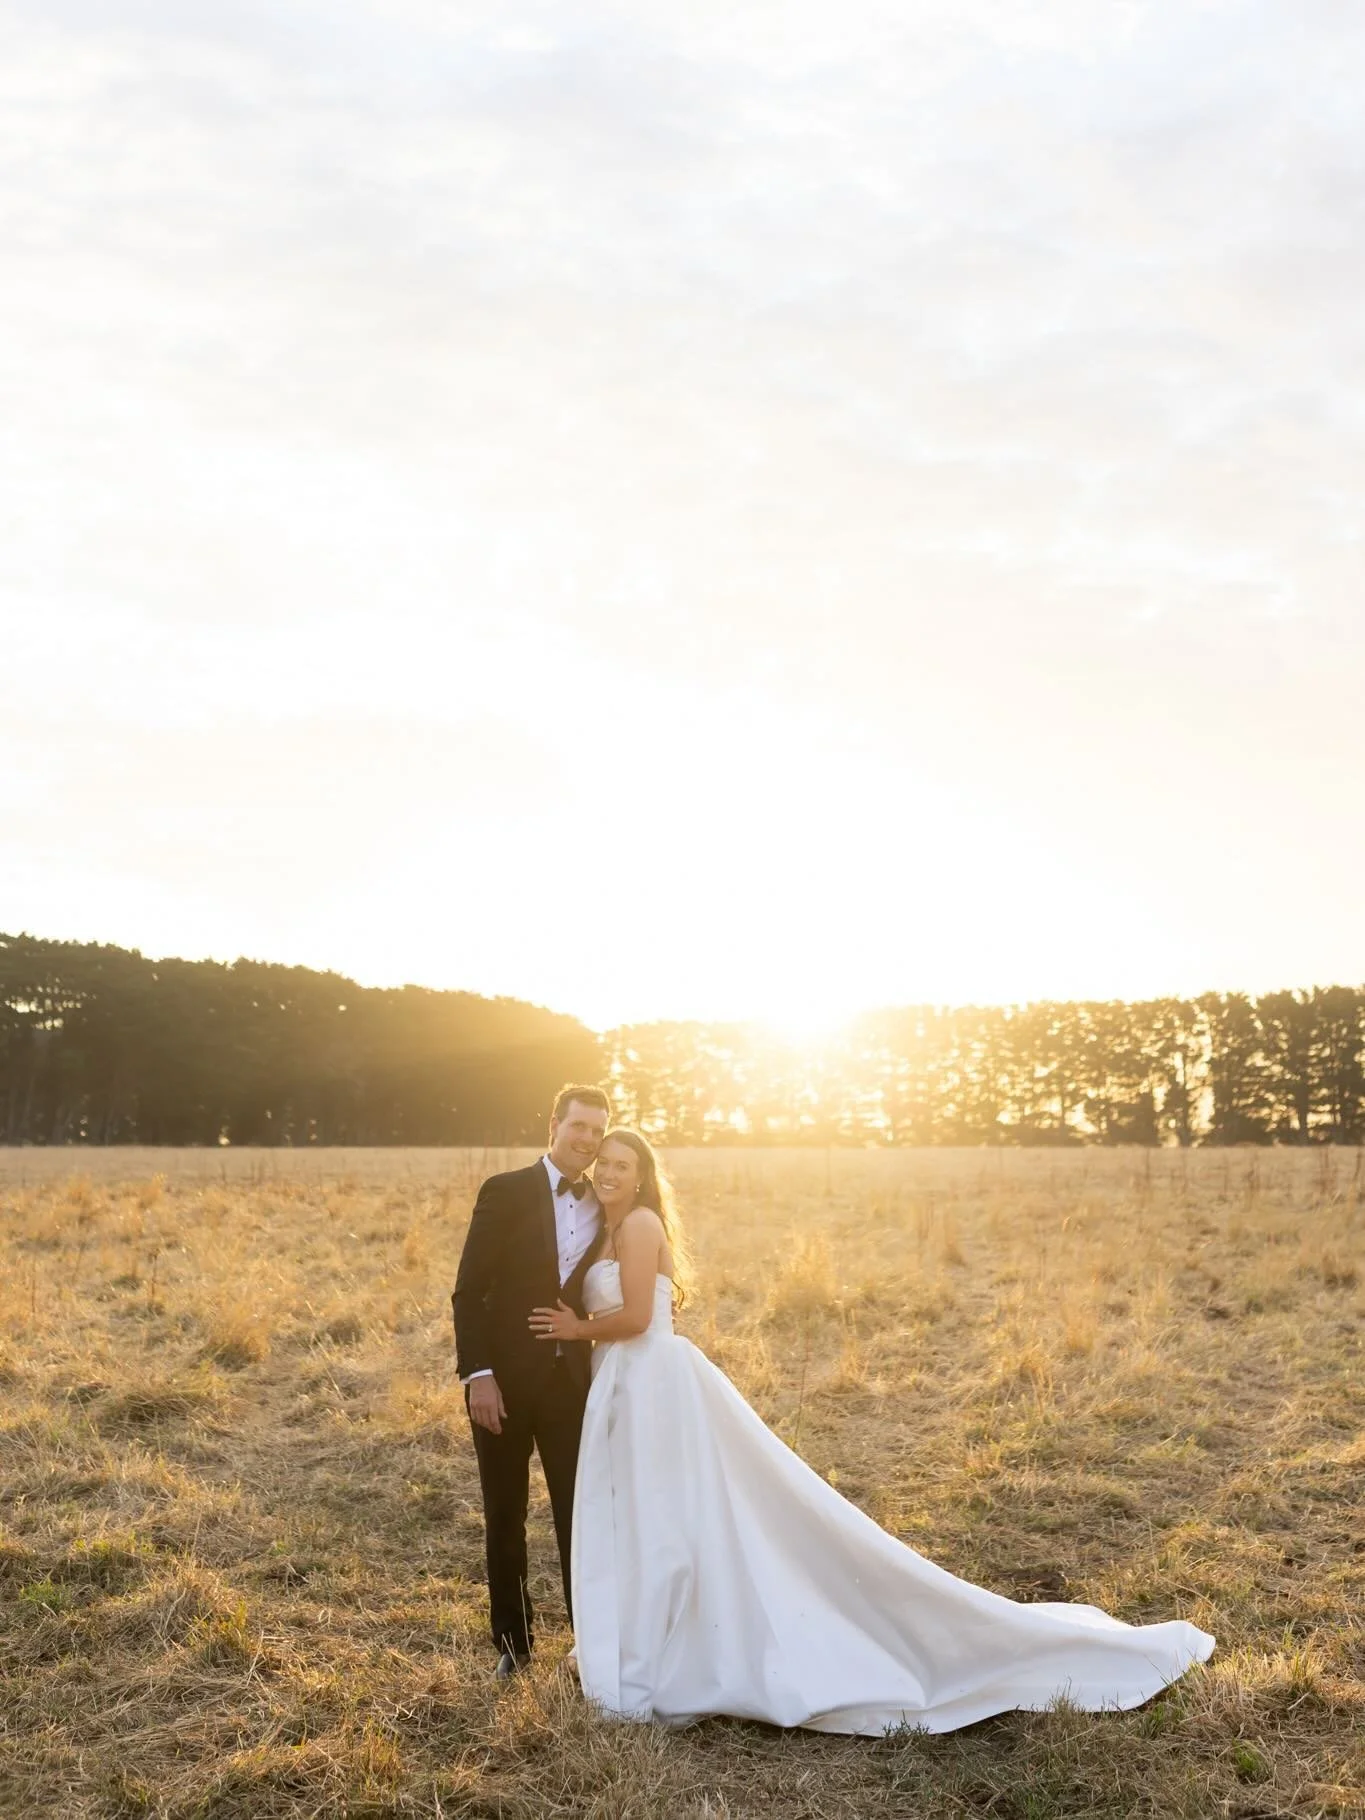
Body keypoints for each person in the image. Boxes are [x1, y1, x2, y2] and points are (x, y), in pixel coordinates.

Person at [529, 1129, 1216, 1734]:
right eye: (604, 1162)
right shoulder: (602, 1228)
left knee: (666, 1518)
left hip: (652, 1383)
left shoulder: (640, 1224)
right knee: (645, 1518)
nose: (610, 1172)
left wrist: (574, 1329)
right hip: (625, 1385)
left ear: (641, 1177)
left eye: (623, 1164)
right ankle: (643, 1640)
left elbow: (637, 1319)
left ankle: (666, 1653)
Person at [452, 1084, 610, 1678]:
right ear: (554, 1125)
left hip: (570, 1386)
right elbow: (470, 1291)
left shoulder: (605, 1205)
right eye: (579, 1126)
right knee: (505, 1514)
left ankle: (588, 1644)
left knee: (579, 1514)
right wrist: (479, 1375)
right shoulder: (506, 1190)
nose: (587, 1140)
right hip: (503, 1385)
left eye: (597, 1131)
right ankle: (513, 1646)